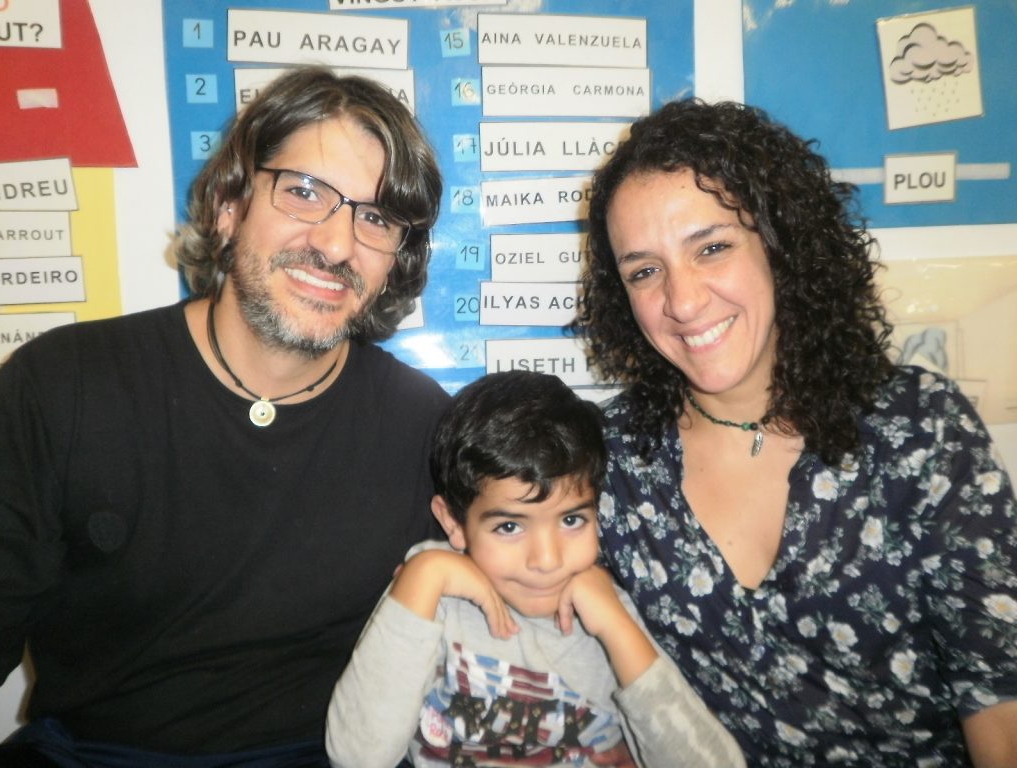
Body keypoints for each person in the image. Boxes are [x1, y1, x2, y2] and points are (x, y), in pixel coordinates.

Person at [0, 65, 448, 767]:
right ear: (230, 205)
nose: (336, 245)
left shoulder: (425, 428)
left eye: (377, 218)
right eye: (304, 191)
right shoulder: (63, 386)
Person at [571, 98, 1017, 767]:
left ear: (781, 244)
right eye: (644, 271)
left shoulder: (920, 430)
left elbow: (1000, 703)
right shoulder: (611, 462)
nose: (683, 301)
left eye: (712, 248)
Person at [325, 370, 745, 768]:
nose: (546, 560)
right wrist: (425, 574)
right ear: (452, 522)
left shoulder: (606, 609)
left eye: (572, 520)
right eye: (509, 527)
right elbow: (357, 757)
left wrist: (618, 629)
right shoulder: (430, 590)